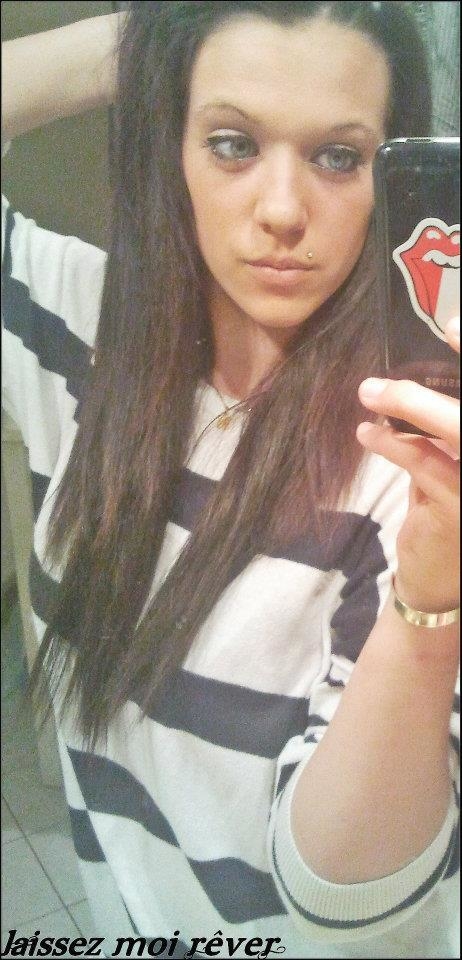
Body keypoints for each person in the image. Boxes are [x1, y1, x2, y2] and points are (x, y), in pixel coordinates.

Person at [1, 2, 460, 958]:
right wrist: (156, 35)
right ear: (170, 149)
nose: (283, 210)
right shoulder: (83, 328)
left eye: (339, 157)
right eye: (232, 143)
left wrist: (433, 597)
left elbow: (347, 909)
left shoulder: (409, 463)